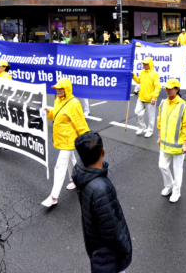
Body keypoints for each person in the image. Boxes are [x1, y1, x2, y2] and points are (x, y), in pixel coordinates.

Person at [72, 132, 132, 273]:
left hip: (96, 247)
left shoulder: (82, 175)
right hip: (110, 258)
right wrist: (125, 249)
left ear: (79, 155)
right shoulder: (101, 189)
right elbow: (112, 231)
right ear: (103, 152)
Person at [41, 78, 90, 207]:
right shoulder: (58, 99)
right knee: (71, 160)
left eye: (60, 88)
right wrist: (49, 113)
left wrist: (87, 141)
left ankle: (54, 196)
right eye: (56, 88)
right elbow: (57, 116)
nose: (58, 90)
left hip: (69, 139)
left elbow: (80, 124)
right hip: (62, 139)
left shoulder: (74, 103)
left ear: (67, 89)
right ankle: (76, 180)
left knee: (60, 166)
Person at [157, 78, 186, 203]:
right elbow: (160, 121)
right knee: (162, 166)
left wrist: (185, 144)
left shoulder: (183, 106)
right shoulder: (163, 103)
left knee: (177, 170)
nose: (167, 90)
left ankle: (176, 191)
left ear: (177, 90)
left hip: (178, 145)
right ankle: (169, 185)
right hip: (165, 143)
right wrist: (159, 137)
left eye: (170, 88)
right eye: (166, 88)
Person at [132, 57, 160, 137]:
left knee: (151, 117)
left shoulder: (155, 74)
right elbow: (138, 81)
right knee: (137, 112)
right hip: (141, 97)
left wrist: (154, 97)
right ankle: (142, 126)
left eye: (146, 64)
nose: (144, 65)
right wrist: (133, 76)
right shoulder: (142, 72)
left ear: (150, 64)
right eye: (143, 64)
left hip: (150, 99)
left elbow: (157, 87)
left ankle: (150, 131)